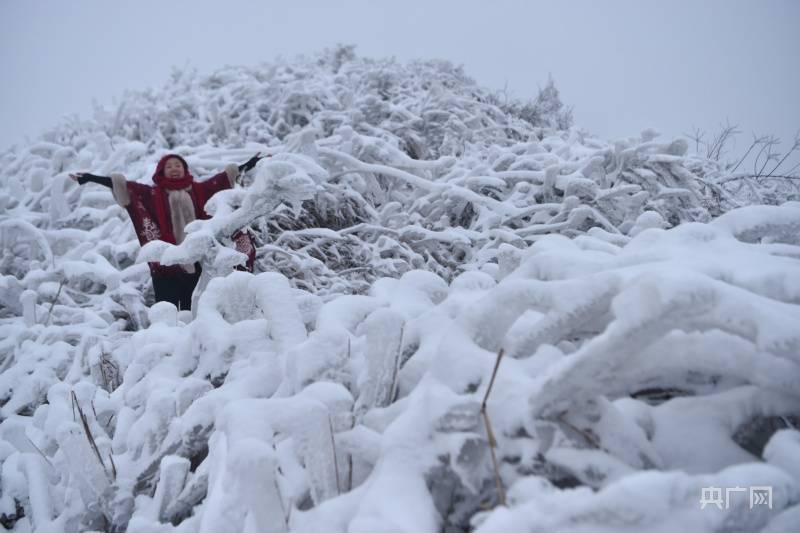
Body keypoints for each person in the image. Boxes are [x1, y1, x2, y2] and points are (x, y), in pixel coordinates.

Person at [70, 152, 264, 310]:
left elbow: (223, 179)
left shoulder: (200, 190)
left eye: (178, 165)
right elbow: (123, 186)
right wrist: (90, 178)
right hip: (165, 266)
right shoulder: (151, 194)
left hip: (198, 263)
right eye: (169, 166)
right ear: (162, 171)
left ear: (185, 169)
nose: (174, 169)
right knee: (166, 310)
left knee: (196, 308)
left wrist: (250, 163)